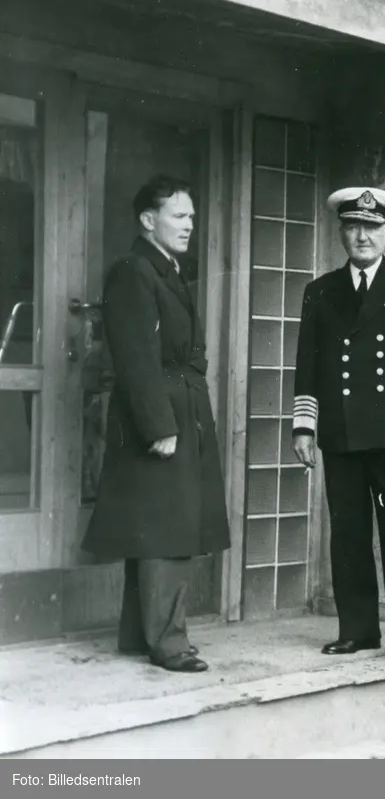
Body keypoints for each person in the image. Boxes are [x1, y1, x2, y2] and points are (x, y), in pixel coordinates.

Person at [291, 186, 385, 669]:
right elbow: (308, 365)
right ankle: (357, 629)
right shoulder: (321, 291)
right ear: (342, 232)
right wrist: (304, 425)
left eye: (371, 227)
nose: (362, 236)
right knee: (350, 532)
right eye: (353, 227)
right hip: (342, 432)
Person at [82, 175, 230, 674]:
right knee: (167, 527)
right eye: (179, 216)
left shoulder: (162, 269)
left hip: (176, 407)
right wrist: (158, 425)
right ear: (149, 220)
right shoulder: (134, 271)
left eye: (191, 216)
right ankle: (168, 644)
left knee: (159, 524)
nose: (190, 225)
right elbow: (136, 357)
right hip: (159, 414)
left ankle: (138, 636)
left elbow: (186, 350)